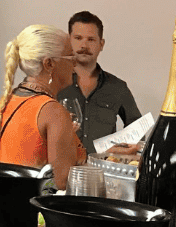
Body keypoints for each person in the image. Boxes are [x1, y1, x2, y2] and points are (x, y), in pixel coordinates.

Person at [0, 24, 85, 190]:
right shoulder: (52, 111)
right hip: (36, 205)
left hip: (8, 198)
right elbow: (63, 183)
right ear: (49, 64)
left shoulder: (5, 102)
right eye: (71, 57)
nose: (75, 65)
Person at [58, 10, 141, 154]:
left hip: (103, 167)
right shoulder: (55, 83)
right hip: (62, 166)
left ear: (101, 44)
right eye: (78, 38)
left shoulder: (117, 87)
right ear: (68, 41)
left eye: (91, 39)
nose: (84, 45)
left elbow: (138, 131)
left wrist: (125, 150)